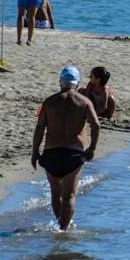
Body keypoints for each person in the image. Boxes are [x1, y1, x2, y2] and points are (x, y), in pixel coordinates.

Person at [31, 66, 99, 231]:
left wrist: (35, 152)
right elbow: (96, 125)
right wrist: (92, 148)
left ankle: (60, 225)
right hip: (73, 154)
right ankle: (63, 230)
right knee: (69, 195)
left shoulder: (50, 101)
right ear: (77, 84)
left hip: (51, 153)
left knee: (55, 193)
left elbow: (40, 128)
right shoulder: (84, 102)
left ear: (61, 82)